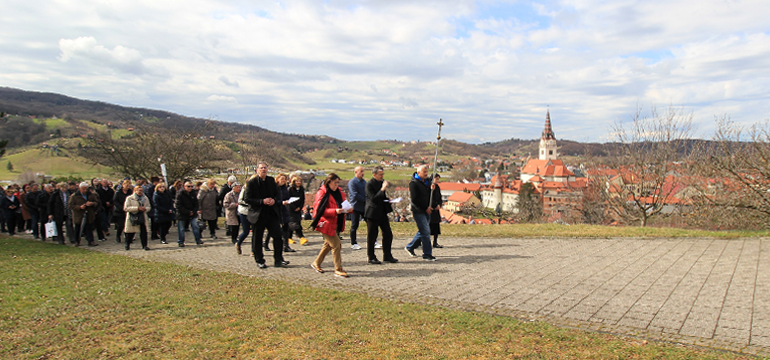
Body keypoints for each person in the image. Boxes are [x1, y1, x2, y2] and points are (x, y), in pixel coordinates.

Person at [243, 162, 289, 269]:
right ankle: (260, 260)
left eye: (265, 168)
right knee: (257, 238)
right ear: (257, 170)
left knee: (278, 236)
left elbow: (277, 195)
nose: (263, 170)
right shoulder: (252, 182)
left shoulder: (271, 181)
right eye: (261, 168)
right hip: (258, 214)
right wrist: (262, 201)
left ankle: (278, 259)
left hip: (271, 213)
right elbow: (247, 199)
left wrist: (274, 200)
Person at [310, 173, 350, 277]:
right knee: (336, 244)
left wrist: (348, 209)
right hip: (325, 223)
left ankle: (316, 263)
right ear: (329, 182)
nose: (337, 185)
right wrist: (334, 211)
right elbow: (320, 211)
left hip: (336, 222)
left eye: (338, 182)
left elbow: (343, 204)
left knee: (328, 245)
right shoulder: (322, 193)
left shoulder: (339, 192)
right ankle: (338, 268)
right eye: (335, 182)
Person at [363, 166, 398, 264]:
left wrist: (388, 200)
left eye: (383, 174)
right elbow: (373, 198)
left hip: (382, 212)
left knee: (388, 233)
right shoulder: (369, 184)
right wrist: (382, 189)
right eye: (380, 175)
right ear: (374, 175)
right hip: (372, 213)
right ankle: (371, 257)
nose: (382, 176)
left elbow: (381, 198)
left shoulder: (380, 183)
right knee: (372, 235)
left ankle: (387, 255)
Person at [404, 166, 436, 261]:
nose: (426, 174)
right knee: (426, 232)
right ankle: (427, 254)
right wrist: (425, 207)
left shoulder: (427, 182)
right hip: (418, 210)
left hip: (427, 209)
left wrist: (432, 189)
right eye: (424, 172)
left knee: (423, 231)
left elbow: (429, 196)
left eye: (427, 172)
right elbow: (415, 199)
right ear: (418, 172)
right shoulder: (413, 184)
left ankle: (410, 247)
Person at [68, 182, 99, 247]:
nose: (85, 191)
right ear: (79, 188)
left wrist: (92, 203)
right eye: (83, 189)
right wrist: (79, 207)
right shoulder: (74, 196)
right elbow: (70, 206)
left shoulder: (91, 195)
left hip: (89, 214)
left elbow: (97, 202)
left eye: (86, 189)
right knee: (77, 228)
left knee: (89, 228)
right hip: (79, 215)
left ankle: (90, 241)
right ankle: (77, 241)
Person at [175, 180, 203, 247]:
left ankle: (198, 240)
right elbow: (178, 206)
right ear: (184, 186)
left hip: (192, 214)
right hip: (182, 214)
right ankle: (181, 241)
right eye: (188, 186)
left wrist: (193, 211)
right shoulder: (180, 194)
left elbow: (196, 203)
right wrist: (187, 212)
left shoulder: (193, 193)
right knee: (181, 229)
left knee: (195, 226)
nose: (190, 188)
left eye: (191, 186)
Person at [124, 185, 152, 251]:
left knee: (144, 232)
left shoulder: (145, 198)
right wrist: (137, 208)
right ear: (135, 190)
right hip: (133, 216)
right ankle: (127, 244)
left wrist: (145, 209)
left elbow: (149, 207)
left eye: (141, 190)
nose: (140, 192)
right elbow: (126, 208)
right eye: (139, 190)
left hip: (142, 216)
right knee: (130, 232)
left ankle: (144, 245)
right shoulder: (130, 198)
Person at [275, 173, 296, 253]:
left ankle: (286, 245)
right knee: (275, 229)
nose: (283, 181)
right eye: (282, 179)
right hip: (276, 209)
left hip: (284, 209)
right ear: (278, 179)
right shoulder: (275, 188)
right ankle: (266, 243)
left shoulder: (285, 188)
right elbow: (274, 199)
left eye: (284, 179)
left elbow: (286, 197)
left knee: (286, 228)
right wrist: (281, 202)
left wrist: (288, 201)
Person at [347, 166, 366, 250]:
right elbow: (355, 194)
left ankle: (373, 241)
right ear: (356, 172)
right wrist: (366, 199)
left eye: (363, 171)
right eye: (361, 171)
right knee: (354, 225)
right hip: (355, 206)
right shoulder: (352, 182)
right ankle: (353, 243)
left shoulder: (364, 182)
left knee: (370, 223)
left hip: (364, 206)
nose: (363, 173)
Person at [287, 175, 308, 245]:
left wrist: (300, 207)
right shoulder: (290, 189)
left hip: (298, 209)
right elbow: (288, 199)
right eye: (297, 181)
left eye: (299, 181)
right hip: (290, 209)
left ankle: (288, 237)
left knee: (296, 223)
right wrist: (294, 207)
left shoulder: (302, 189)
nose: (298, 182)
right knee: (294, 224)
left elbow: (302, 199)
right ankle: (301, 237)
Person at [235, 179, 252, 255]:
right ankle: (238, 243)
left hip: (254, 212)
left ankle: (254, 250)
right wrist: (251, 203)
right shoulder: (244, 189)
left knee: (256, 231)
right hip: (244, 212)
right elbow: (240, 201)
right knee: (246, 231)